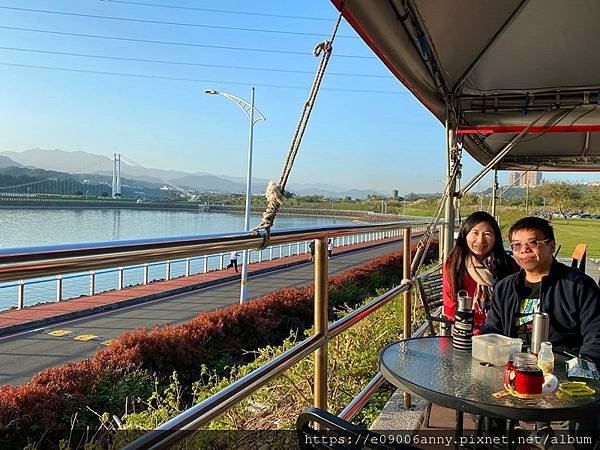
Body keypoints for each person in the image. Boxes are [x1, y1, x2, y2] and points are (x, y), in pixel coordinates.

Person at [483, 217, 600, 446]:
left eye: (533, 243)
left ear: (551, 245)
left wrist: (583, 370)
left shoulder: (579, 285)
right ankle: (497, 441)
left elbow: (595, 334)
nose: (524, 250)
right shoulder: (505, 287)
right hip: (513, 365)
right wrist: (490, 352)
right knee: (482, 402)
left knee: (588, 421)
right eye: (516, 245)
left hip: (561, 367)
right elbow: (492, 327)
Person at [442, 211, 517, 331]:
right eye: (475, 233)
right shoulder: (455, 263)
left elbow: (514, 302)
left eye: (487, 234)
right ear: (465, 235)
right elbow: (450, 304)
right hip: (465, 328)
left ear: (495, 237)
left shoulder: (508, 264)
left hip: (500, 329)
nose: (480, 240)